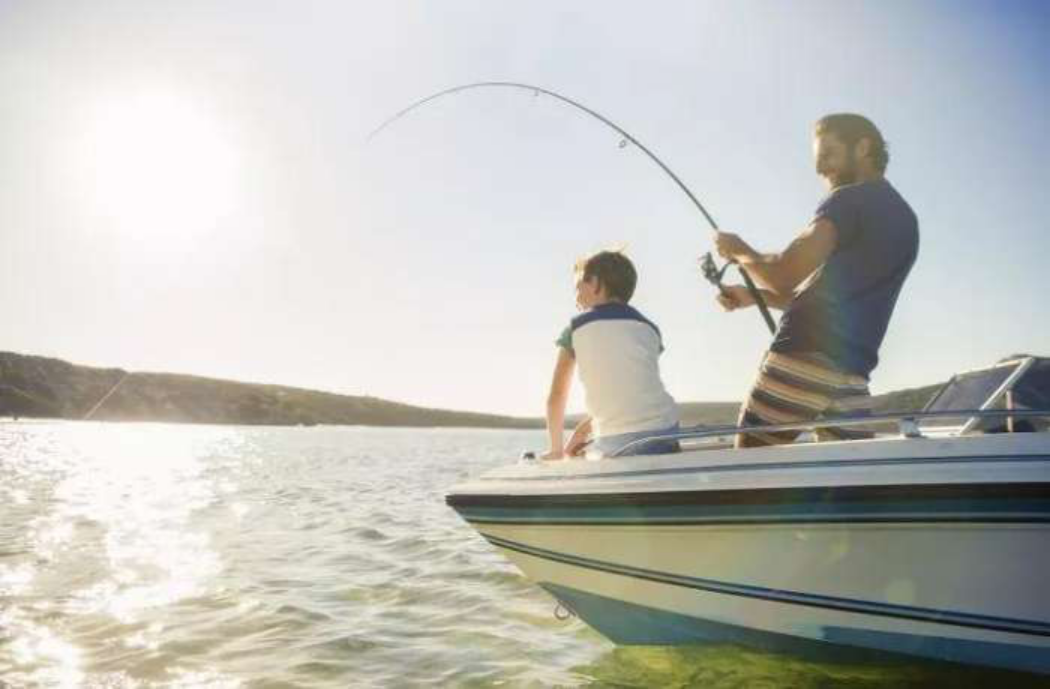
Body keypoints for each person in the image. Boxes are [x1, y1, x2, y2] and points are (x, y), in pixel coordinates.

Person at [713, 113, 919, 448]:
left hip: (803, 356)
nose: (820, 168)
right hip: (852, 373)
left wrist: (739, 251)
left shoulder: (848, 201)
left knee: (751, 471)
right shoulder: (906, 220)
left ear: (863, 147)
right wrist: (753, 297)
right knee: (849, 485)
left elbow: (783, 274)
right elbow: (834, 299)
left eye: (828, 154)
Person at [542, 250, 679, 459]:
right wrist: (581, 432)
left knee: (584, 455)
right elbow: (626, 392)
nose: (576, 297)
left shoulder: (575, 328)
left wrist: (556, 450)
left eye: (578, 288)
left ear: (595, 283)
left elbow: (557, 395)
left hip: (616, 441)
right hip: (665, 431)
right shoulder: (649, 328)